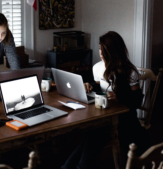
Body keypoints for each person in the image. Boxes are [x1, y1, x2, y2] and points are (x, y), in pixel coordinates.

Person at [61, 31, 150, 169]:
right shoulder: (97, 68)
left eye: (104, 49)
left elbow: (137, 101)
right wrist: (90, 85)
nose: (100, 52)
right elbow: (99, 87)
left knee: (91, 137)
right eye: (99, 48)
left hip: (124, 119)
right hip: (104, 114)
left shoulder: (130, 72)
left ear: (113, 51)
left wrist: (119, 97)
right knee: (88, 138)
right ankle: (69, 167)